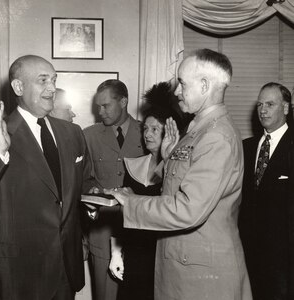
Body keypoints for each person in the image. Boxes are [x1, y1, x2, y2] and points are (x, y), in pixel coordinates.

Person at [106, 48, 252, 300]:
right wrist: (169, 157)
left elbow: (188, 208)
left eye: (182, 83)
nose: (176, 91)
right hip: (186, 264)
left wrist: (132, 203)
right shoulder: (200, 128)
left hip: (201, 275)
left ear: (205, 85)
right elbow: (188, 180)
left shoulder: (216, 136)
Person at [0, 55, 92, 300]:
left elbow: (84, 185)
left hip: (65, 270)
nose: (52, 88)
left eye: (54, 80)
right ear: (18, 87)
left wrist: (92, 207)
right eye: (43, 81)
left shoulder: (72, 133)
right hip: (18, 273)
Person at [109, 81, 188, 300]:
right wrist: (116, 251)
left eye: (155, 129)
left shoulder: (177, 170)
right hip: (134, 253)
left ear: (170, 133)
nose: (148, 134)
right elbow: (121, 213)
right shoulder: (134, 166)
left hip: (162, 254)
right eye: (146, 129)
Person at [83, 79, 146, 300]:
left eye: (106, 105)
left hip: (140, 233)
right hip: (103, 232)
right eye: (98, 106)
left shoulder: (147, 132)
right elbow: (85, 178)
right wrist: (93, 194)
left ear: (124, 101)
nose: (100, 112)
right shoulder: (89, 136)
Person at [239, 82, 294, 300]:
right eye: (260, 104)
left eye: (270, 104)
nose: (263, 110)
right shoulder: (247, 147)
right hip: (248, 258)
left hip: (284, 264)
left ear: (287, 108)